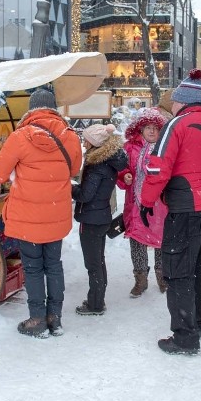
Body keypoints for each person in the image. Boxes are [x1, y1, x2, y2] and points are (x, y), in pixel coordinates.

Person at [141, 69, 201, 355]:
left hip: (186, 209)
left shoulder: (177, 125)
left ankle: (184, 337)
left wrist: (147, 201)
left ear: (180, 102)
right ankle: (198, 323)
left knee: (179, 271)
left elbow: (158, 167)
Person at [0, 88, 82, 338]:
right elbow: (74, 169)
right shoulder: (70, 136)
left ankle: (36, 320)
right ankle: (55, 318)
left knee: (32, 268)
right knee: (53, 265)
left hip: (26, 215)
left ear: (31, 109)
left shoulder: (20, 136)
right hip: (56, 214)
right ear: (54, 108)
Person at [72, 124, 128, 316]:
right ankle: (97, 299)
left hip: (91, 219)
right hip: (101, 215)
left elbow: (86, 195)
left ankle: (95, 304)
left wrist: (69, 187)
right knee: (99, 261)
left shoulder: (97, 165)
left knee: (93, 264)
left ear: (94, 143)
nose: (84, 142)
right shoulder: (108, 160)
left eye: (86, 139)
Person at [118, 108, 168, 297]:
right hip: (136, 203)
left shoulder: (166, 146)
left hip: (161, 205)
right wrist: (125, 176)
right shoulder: (130, 147)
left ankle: (163, 277)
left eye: (155, 128)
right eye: (148, 127)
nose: (152, 131)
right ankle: (140, 279)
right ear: (140, 129)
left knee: (162, 241)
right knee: (137, 240)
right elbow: (122, 170)